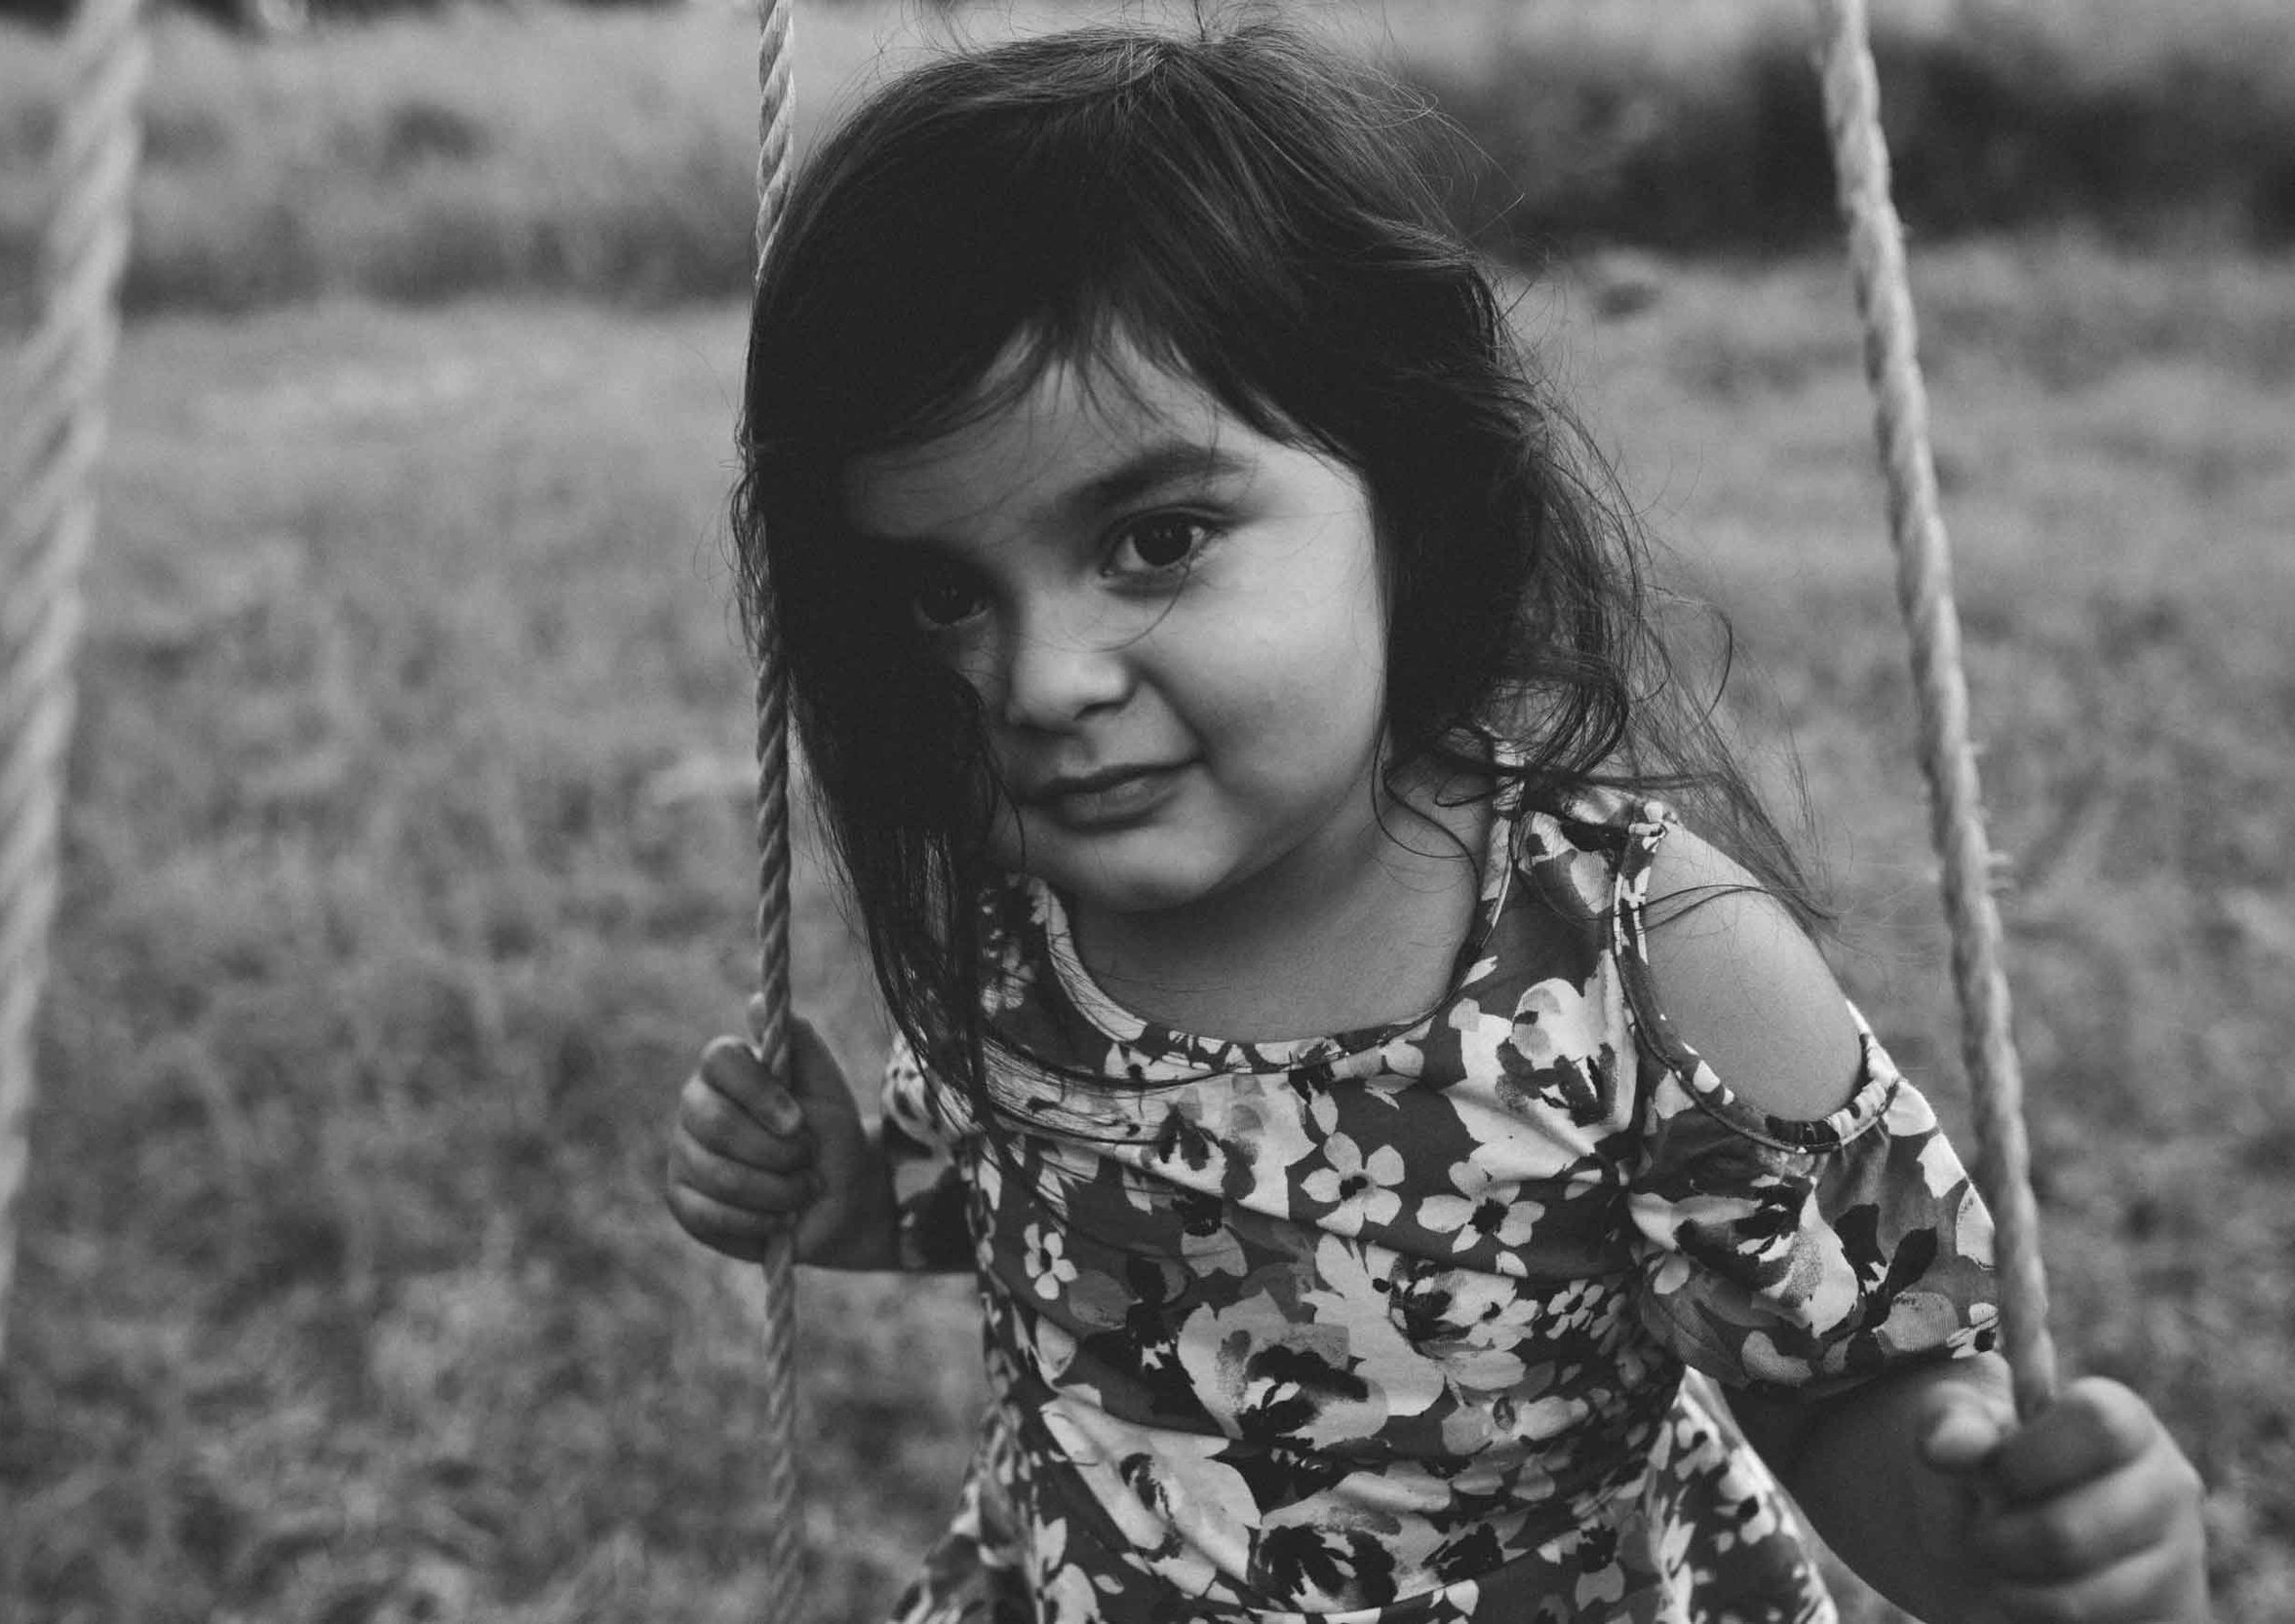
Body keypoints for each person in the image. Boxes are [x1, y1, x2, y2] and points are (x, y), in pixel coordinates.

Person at [665, 19, 2211, 1624]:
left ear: (1407, 486)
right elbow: (1050, 1210)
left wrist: (2005, 1532)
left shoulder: (1644, 963)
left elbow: (1841, 1377)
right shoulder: (1031, 903)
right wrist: (855, 1199)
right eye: (945, 595)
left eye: (1154, 536)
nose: (1042, 679)